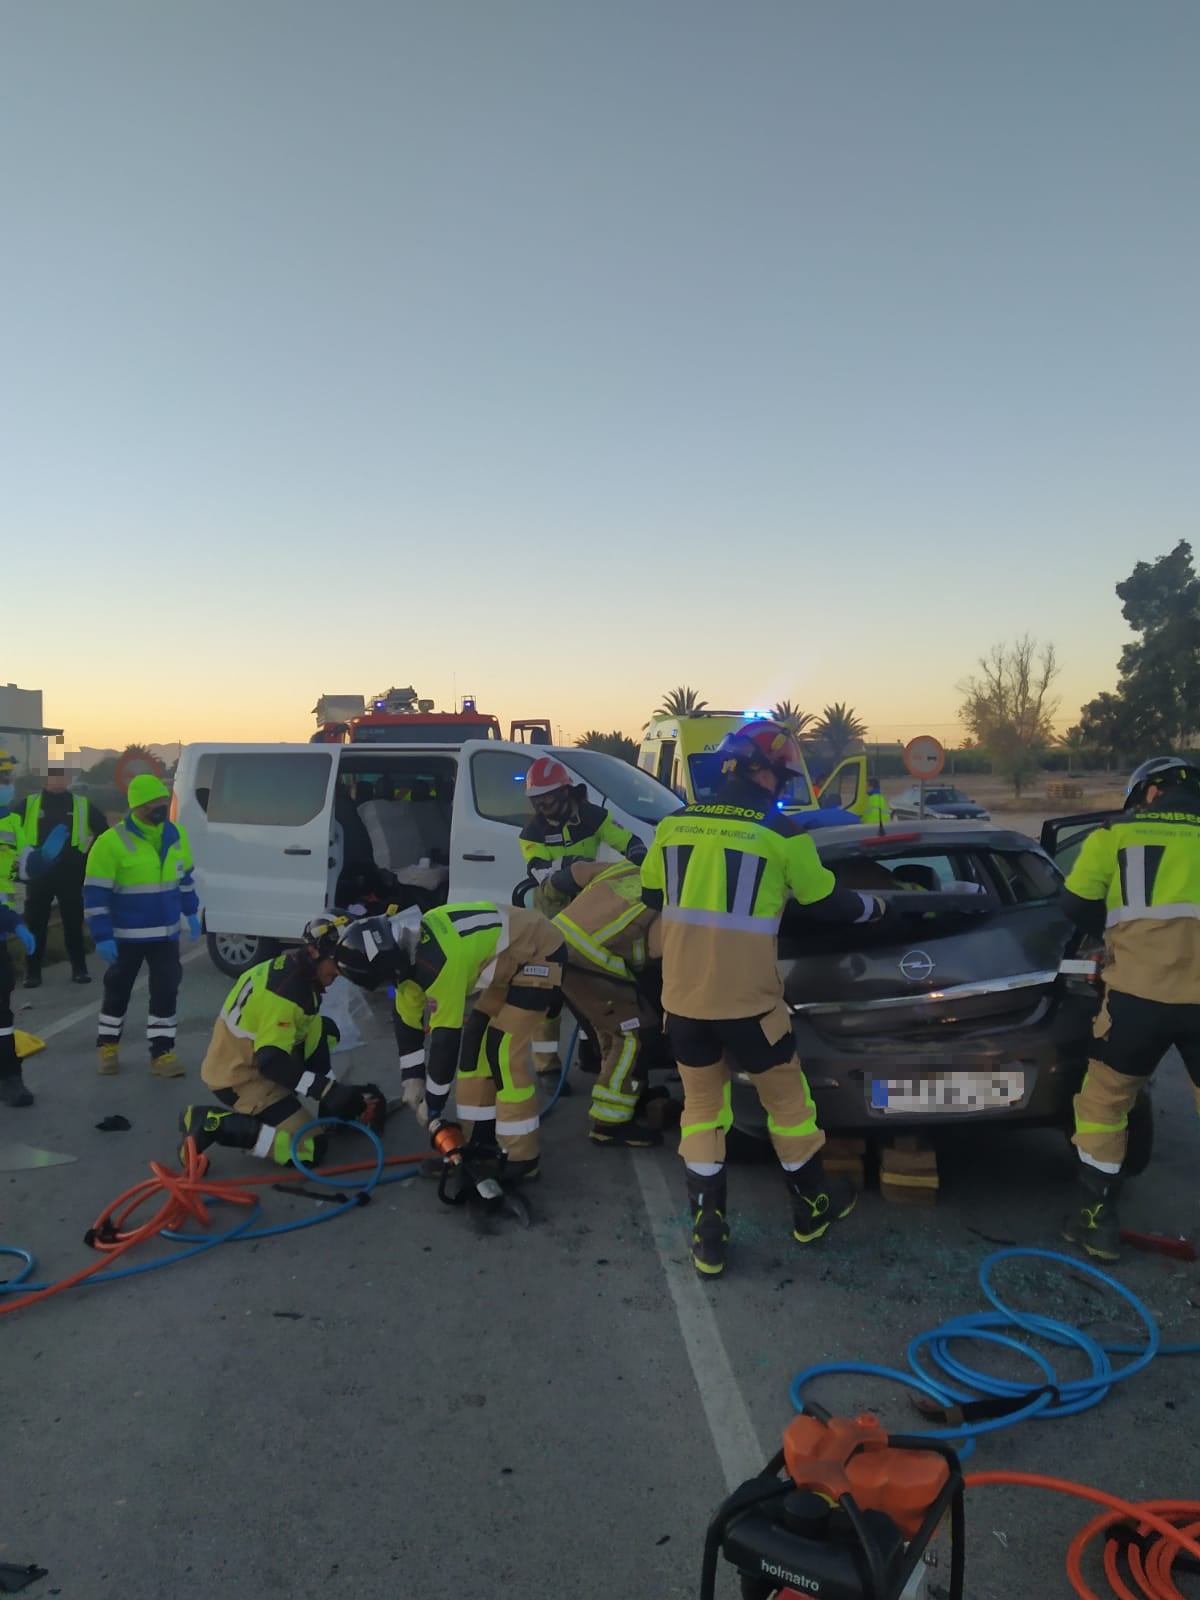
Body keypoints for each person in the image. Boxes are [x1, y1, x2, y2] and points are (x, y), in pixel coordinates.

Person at [640, 719, 888, 1279]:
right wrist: (878, 907)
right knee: (790, 1108)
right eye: (780, 774)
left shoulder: (673, 826)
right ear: (759, 770)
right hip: (752, 1009)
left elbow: (653, 895)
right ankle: (811, 1211)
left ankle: (708, 1234)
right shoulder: (781, 834)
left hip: (683, 1006)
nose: (782, 786)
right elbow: (827, 903)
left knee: (702, 1111)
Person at [1061, 756, 1200, 1263]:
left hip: (1136, 999)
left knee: (1104, 1104)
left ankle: (1096, 1223)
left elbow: (1073, 905)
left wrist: (1116, 935)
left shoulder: (1113, 836)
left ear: (1150, 793)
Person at [335, 901, 566, 1181]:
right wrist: (412, 1077)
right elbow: (407, 1022)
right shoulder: (406, 953)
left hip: (539, 952)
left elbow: (444, 1041)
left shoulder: (439, 963)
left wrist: (432, 1102)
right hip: (508, 959)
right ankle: (478, 1140)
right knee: (474, 1046)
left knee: (501, 1050)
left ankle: (523, 1159)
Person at [179, 916, 384, 1169]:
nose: (339, 972)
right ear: (313, 951)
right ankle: (213, 1123)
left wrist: (332, 1093)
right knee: (309, 1150)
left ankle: (317, 1109)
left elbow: (306, 1031)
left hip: (254, 1056)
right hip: (241, 1077)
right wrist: (327, 1091)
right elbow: (272, 1062)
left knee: (327, 1031)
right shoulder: (286, 996)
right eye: (336, 963)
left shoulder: (295, 968)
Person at [518, 756, 648, 1092]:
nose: (542, 807)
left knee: (596, 989)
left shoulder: (593, 816)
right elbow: (540, 871)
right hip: (550, 915)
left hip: (589, 914)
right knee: (548, 993)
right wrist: (577, 865)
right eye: (536, 801)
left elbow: (628, 841)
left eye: (547, 799)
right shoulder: (531, 832)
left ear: (565, 793)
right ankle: (547, 1068)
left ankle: (595, 1053)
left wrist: (642, 860)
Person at [83, 773, 202, 1077]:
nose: (161, 807)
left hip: (165, 935)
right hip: (125, 937)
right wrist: (102, 935)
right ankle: (107, 1046)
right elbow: (96, 893)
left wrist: (191, 912)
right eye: (154, 804)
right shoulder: (111, 842)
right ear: (138, 807)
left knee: (166, 993)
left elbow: (184, 879)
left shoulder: (176, 835)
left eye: (164, 801)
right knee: (117, 991)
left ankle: (161, 1054)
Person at [542, 859, 666, 1148]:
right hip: (589, 959)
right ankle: (610, 1122)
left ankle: (622, 1090)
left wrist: (548, 890)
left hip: (558, 945)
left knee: (608, 1025)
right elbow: (662, 949)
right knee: (635, 1033)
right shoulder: (673, 896)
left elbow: (577, 871)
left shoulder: (629, 868)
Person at [1, 749, 70, 1107]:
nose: (6, 786)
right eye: (2, 779)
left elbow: (20, 869)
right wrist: (13, 921)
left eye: (8, 779)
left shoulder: (10, 822)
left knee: (2, 1010)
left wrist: (41, 860)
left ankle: (9, 1077)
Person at [21, 770, 108, 986]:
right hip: (40, 874)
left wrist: (85, 858)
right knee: (36, 924)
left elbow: (103, 831)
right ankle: (32, 973)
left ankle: (79, 969)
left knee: (73, 923)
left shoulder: (80, 804)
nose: (57, 782)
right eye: (52, 778)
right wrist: (23, 861)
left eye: (61, 778)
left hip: (71, 873)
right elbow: (9, 831)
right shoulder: (29, 804)